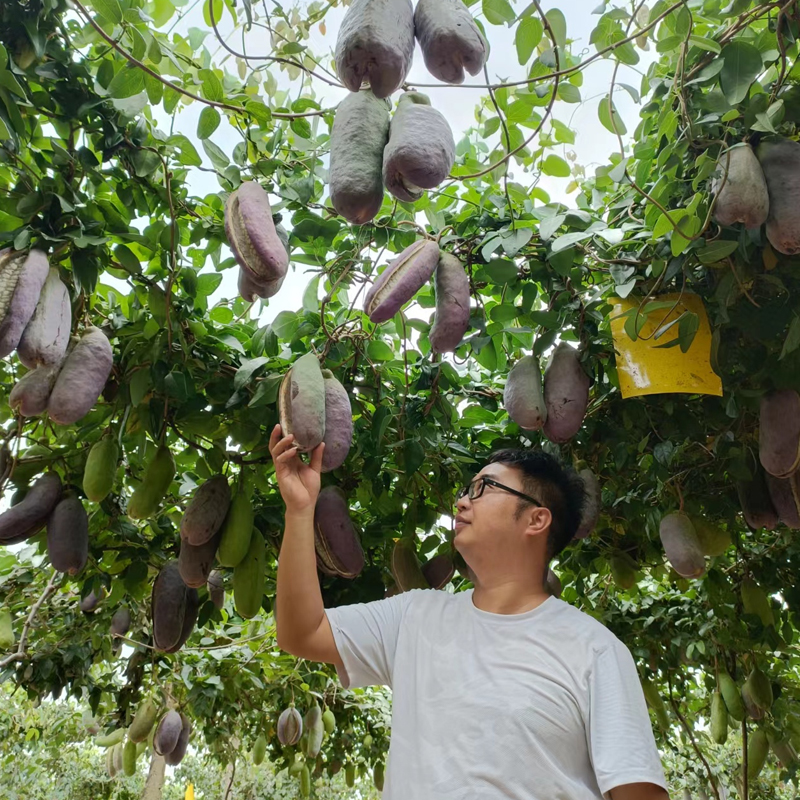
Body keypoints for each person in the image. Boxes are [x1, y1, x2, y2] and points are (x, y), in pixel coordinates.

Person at [269, 424, 670, 800]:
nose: (461, 501)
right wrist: (299, 510)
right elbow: (301, 632)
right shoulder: (415, 615)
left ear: (537, 519)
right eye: (466, 489)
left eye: (484, 488)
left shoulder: (596, 651)